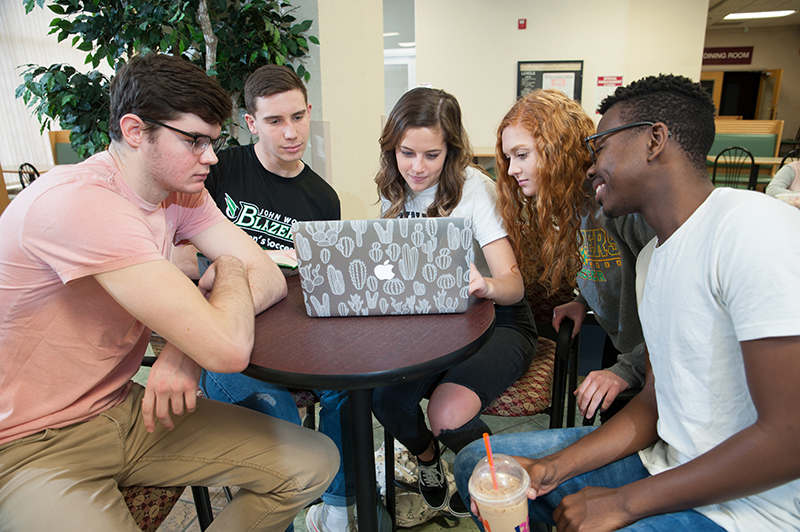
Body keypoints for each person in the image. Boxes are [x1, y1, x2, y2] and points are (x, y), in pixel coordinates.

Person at [0, 53, 339, 532]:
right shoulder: (80, 202)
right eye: (195, 141)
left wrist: (183, 351)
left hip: (126, 408)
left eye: (214, 141)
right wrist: (229, 272)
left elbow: (265, 275)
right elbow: (228, 343)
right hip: (29, 442)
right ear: (136, 131)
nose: (212, 157)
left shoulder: (180, 190)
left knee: (314, 460)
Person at [455, 73, 800, 531]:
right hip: (664, 459)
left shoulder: (750, 227)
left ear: (655, 140)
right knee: (481, 463)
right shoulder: (657, 259)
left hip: (751, 507)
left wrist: (624, 503)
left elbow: (790, 438)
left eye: (599, 146)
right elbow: (656, 404)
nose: (590, 163)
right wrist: (552, 468)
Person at [175, 64, 354, 532]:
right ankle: (285, 523)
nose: (290, 132)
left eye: (297, 117)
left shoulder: (323, 198)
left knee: (350, 389)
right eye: (275, 121)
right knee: (281, 424)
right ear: (251, 123)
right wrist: (257, 259)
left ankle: (336, 506)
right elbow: (176, 257)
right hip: (227, 342)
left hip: (295, 331)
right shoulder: (218, 170)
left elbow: (324, 284)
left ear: (309, 112)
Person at [370, 87, 538, 518]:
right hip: (436, 324)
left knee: (447, 411)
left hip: (499, 319)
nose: (417, 167)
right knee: (384, 399)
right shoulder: (396, 189)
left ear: (452, 150)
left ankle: (499, 483)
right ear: (393, 148)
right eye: (407, 153)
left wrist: (484, 285)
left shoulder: (475, 190)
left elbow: (514, 286)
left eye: (432, 155)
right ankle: (431, 462)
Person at [494, 89, 655, 422]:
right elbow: (607, 263)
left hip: (655, 362)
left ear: (559, 149)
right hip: (628, 345)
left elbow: (676, 314)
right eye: (509, 157)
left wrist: (629, 368)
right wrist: (583, 300)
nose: (512, 170)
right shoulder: (574, 201)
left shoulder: (622, 204)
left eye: (522, 155)